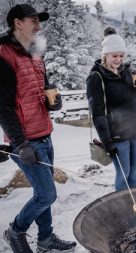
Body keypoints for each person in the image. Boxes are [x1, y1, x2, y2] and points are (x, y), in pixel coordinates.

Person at [0, 4, 76, 253]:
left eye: (39, 21)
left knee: (44, 192)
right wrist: (20, 144)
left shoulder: (36, 54)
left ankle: (45, 238)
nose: (38, 25)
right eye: (33, 20)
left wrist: (53, 103)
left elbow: (36, 93)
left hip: (44, 133)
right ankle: (16, 231)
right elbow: (3, 108)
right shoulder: (4, 54)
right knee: (46, 195)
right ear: (17, 23)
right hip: (26, 140)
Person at [86, 27, 136, 191]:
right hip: (117, 135)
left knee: (134, 171)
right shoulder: (96, 78)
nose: (118, 60)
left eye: (121, 56)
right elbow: (98, 114)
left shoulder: (126, 72)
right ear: (105, 55)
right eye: (114, 56)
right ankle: (121, 206)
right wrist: (107, 142)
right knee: (123, 173)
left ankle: (133, 207)